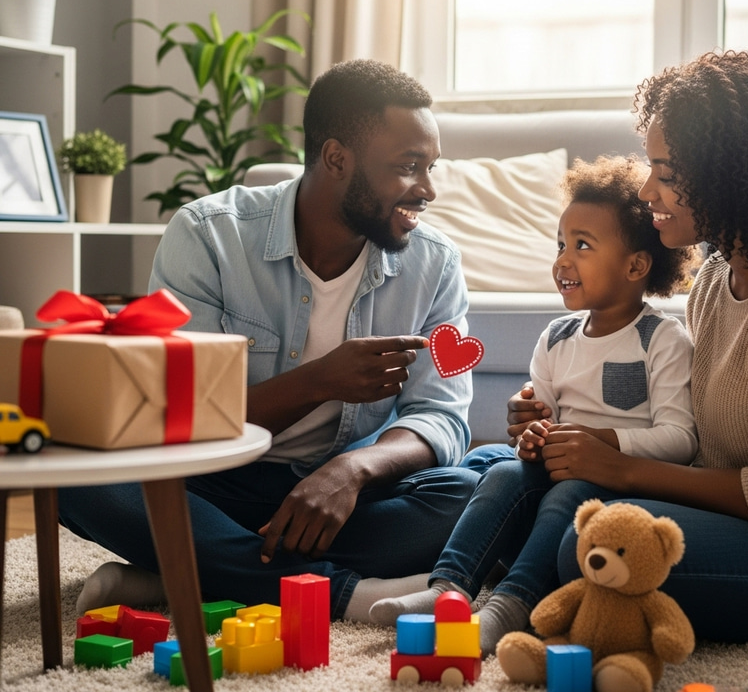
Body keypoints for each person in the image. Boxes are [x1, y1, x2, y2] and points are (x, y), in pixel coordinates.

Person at [58, 58, 480, 622]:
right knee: (77, 476)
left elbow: (441, 416)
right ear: (336, 158)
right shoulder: (208, 236)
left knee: (486, 482)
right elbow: (179, 415)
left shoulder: (435, 264)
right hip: (212, 479)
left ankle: (183, 571)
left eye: (430, 167)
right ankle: (343, 595)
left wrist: (351, 472)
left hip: (340, 493)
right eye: (409, 167)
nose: (426, 189)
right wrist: (321, 382)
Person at [511, 49, 748, 645]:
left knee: (589, 550)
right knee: (503, 474)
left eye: (666, 173)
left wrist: (623, 468)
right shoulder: (716, 279)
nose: (647, 190)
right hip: (738, 519)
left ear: (729, 173)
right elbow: (701, 445)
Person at [369, 155, 697, 654]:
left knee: (569, 496)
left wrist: (597, 443)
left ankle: (510, 604)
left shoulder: (662, 340)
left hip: (619, 486)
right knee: (498, 472)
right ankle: (447, 588)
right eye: (561, 245)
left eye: (582, 246)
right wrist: (528, 430)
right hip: (562, 468)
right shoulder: (556, 336)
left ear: (635, 265)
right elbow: (535, 422)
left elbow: (680, 440)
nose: (563, 261)